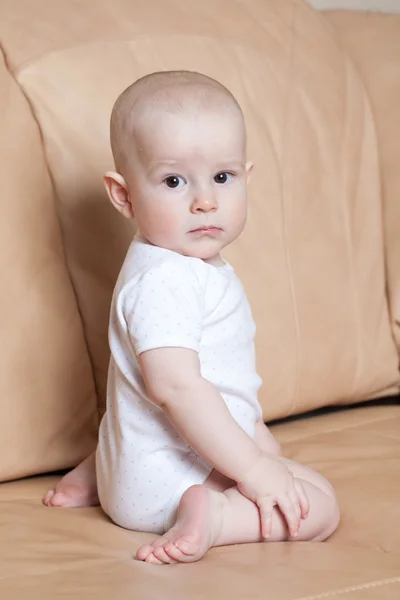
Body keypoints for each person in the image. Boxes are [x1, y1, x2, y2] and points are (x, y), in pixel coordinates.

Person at [44, 70, 340, 564]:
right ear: (124, 196)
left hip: (144, 467)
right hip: (170, 482)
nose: (205, 200)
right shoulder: (168, 280)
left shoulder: (173, 265)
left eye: (223, 178)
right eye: (174, 181)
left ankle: (98, 472)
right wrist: (252, 467)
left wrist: (257, 443)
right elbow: (175, 388)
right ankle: (216, 517)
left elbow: (177, 387)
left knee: (277, 463)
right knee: (319, 505)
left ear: (247, 177)